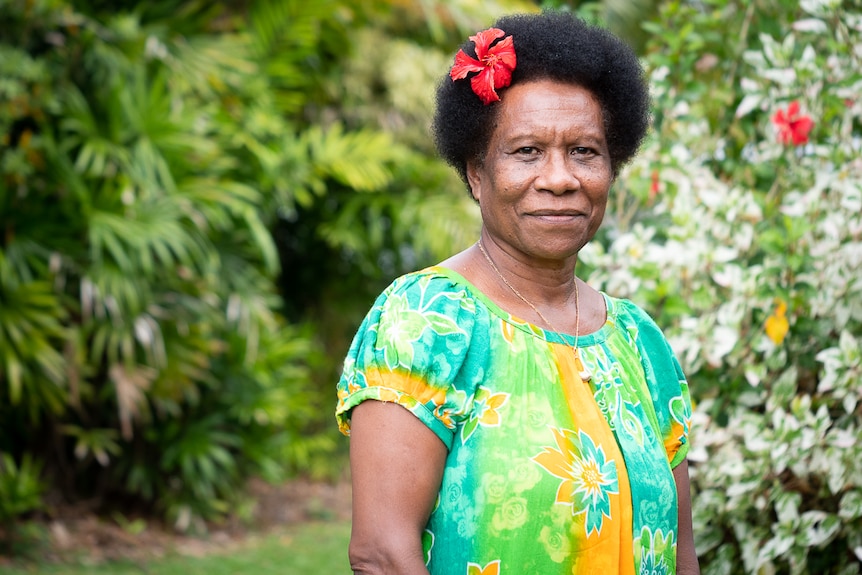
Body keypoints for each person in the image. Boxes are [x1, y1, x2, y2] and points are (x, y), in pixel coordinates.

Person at [335, 10, 699, 575]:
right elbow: (383, 555)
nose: (560, 178)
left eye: (584, 151)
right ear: (477, 173)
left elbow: (679, 553)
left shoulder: (639, 341)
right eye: (527, 151)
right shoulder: (428, 321)